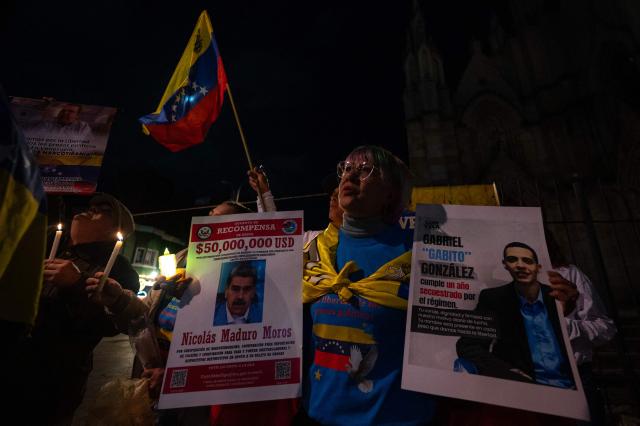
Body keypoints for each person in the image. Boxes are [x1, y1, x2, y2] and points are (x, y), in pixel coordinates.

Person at [301, 145, 435, 425]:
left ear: (390, 192)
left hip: (396, 419)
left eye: (365, 170)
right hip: (320, 417)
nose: (349, 176)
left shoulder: (419, 254)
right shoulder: (315, 252)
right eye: (346, 169)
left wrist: (552, 296)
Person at [22, 192, 139, 425]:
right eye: (91, 206)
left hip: (53, 380)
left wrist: (76, 284)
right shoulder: (45, 243)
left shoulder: (118, 270)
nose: (90, 210)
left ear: (116, 230)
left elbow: (106, 326)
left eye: (102, 210)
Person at [456, 242, 578, 389]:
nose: (520, 265)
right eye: (513, 260)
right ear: (505, 264)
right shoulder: (494, 298)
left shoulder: (559, 296)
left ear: (538, 267)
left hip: (570, 387)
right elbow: (468, 345)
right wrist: (508, 373)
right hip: (521, 390)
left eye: (527, 261)